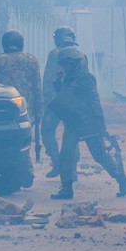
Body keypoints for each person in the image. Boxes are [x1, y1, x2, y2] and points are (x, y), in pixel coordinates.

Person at [47, 47, 126, 200]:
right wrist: (57, 83)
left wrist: (101, 125)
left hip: (88, 121)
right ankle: (66, 187)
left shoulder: (87, 79)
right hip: (73, 121)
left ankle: (122, 180)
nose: (65, 67)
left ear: (74, 63)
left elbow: (94, 102)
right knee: (66, 153)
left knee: (99, 154)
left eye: (67, 64)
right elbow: (64, 96)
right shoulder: (67, 78)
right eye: (63, 64)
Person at [0, 30, 40, 189]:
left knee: (7, 141)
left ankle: (19, 171)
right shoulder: (31, 60)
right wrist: (40, 110)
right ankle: (25, 170)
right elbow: (38, 86)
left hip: (4, 110)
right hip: (26, 108)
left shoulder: (0, 60)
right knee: (24, 142)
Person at [41, 26, 78, 178]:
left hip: (56, 101)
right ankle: (72, 169)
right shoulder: (79, 55)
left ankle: (57, 163)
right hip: (73, 101)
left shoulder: (54, 54)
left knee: (47, 131)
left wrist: (46, 101)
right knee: (71, 134)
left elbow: (49, 79)